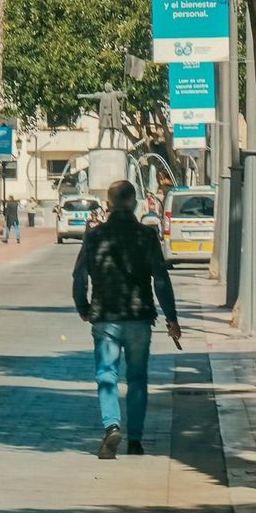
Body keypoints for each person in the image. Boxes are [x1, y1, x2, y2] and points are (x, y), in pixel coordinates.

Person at [73, 180, 180, 458]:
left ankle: (111, 426)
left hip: (106, 317)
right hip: (139, 317)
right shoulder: (147, 235)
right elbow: (161, 279)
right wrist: (172, 318)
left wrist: (83, 307)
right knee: (138, 377)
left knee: (106, 373)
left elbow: (79, 275)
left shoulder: (94, 236)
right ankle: (135, 440)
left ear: (108, 204)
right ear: (134, 203)